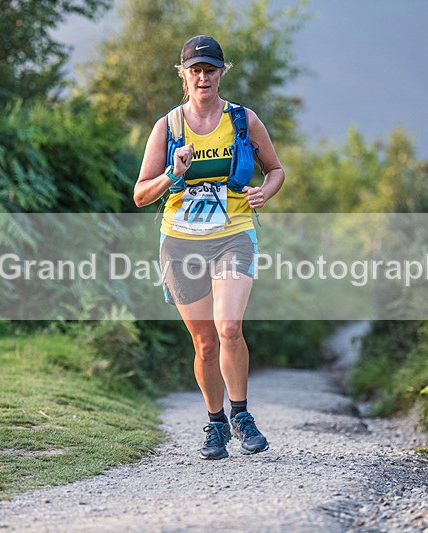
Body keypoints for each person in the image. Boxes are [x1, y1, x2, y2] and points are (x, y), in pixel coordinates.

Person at [133, 35, 285, 460]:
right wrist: (172, 174)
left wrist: (263, 193)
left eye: (210, 69)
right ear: (183, 74)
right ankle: (215, 423)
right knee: (204, 344)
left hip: (233, 232)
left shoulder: (243, 119)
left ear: (222, 72)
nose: (203, 77)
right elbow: (141, 195)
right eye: (195, 70)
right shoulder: (168, 127)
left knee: (229, 327)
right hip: (180, 240)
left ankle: (242, 416)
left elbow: (275, 170)